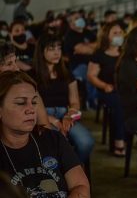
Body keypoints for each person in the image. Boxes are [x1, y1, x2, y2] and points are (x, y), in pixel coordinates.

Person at [0, 71, 90, 198]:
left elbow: (80, 185)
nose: (31, 109)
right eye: (21, 102)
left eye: (34, 102)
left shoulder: (54, 139)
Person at [32, 34, 94, 165]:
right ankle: (60, 174)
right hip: (42, 116)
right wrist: (53, 120)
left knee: (86, 142)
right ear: (41, 51)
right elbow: (33, 106)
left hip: (64, 113)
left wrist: (69, 116)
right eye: (51, 48)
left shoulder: (66, 73)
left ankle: (71, 170)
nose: (56, 52)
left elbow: (75, 102)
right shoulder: (32, 76)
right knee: (58, 143)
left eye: (59, 48)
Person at [87, 22, 126, 156]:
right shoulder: (99, 54)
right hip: (106, 90)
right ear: (106, 36)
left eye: (120, 32)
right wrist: (104, 86)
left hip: (123, 89)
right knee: (119, 104)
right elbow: (91, 76)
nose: (118, 35)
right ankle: (119, 140)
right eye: (115, 33)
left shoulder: (125, 53)